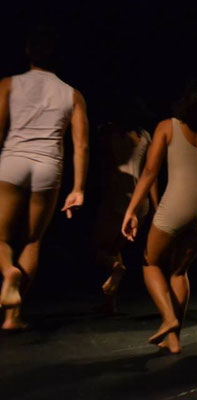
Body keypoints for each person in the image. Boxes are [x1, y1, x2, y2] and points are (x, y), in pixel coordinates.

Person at [121, 80, 197, 354]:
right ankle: (174, 339)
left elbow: (149, 172)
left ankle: (168, 318)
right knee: (179, 271)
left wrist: (131, 210)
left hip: (179, 201)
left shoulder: (168, 126)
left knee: (150, 262)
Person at [0, 27, 89, 330]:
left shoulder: (9, 84)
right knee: (32, 240)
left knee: (2, 237)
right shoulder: (72, 94)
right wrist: (78, 188)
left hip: (13, 162)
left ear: (28, 51)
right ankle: (13, 317)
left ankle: (8, 271)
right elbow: (81, 145)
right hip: (48, 166)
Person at [93, 97, 159, 314]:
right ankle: (110, 303)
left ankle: (116, 268)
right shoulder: (146, 136)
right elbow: (151, 173)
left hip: (118, 197)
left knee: (99, 249)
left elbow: (106, 167)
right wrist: (155, 205)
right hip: (141, 202)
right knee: (115, 248)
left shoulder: (110, 133)